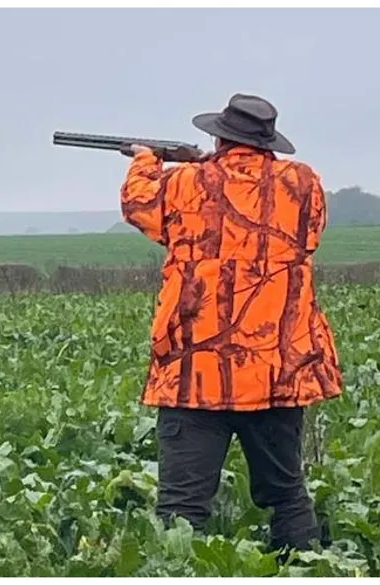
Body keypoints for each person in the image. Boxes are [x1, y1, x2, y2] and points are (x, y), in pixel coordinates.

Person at [119, 93, 344, 552]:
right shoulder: (304, 184)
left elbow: (139, 205)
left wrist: (145, 160)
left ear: (219, 137)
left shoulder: (185, 183)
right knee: (286, 494)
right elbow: (309, 232)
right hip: (278, 371)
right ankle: (309, 569)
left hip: (194, 374)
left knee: (181, 508)